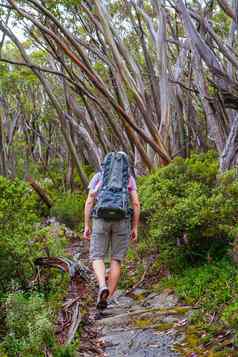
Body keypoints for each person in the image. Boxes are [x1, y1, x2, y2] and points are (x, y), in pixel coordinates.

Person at [83, 152, 140, 310]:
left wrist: (87, 225)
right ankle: (106, 300)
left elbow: (89, 201)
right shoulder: (128, 178)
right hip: (122, 220)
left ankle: (102, 285)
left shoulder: (99, 177)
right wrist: (135, 226)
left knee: (97, 256)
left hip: (101, 219)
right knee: (116, 260)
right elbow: (136, 204)